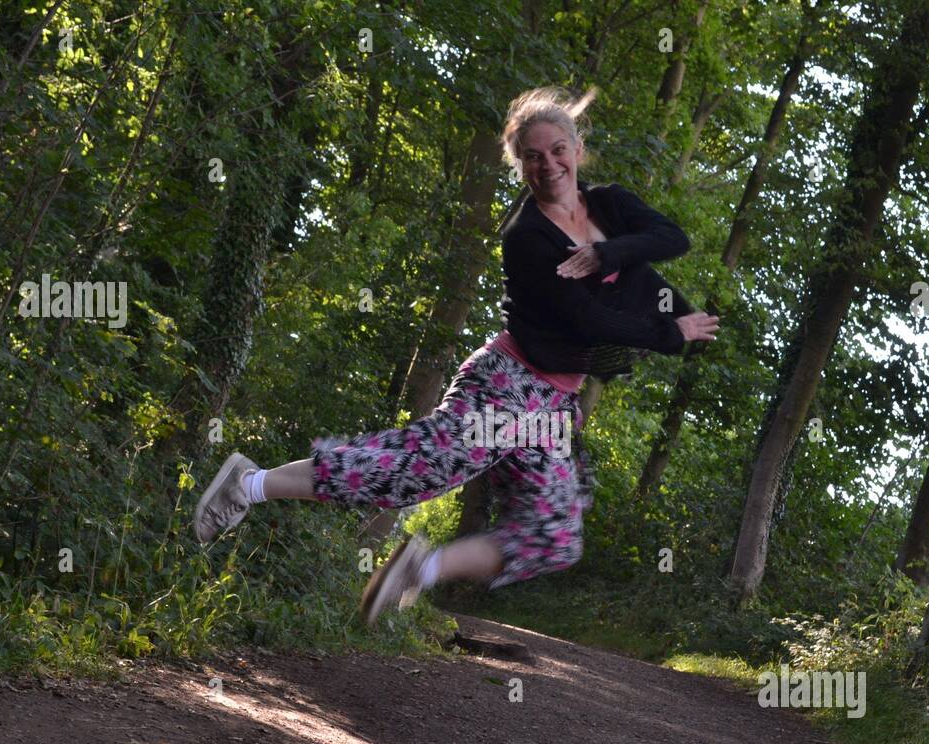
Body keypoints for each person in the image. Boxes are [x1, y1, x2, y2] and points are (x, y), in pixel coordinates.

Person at [192, 85, 719, 625]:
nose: (549, 164)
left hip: (554, 406)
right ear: (520, 165)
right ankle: (250, 484)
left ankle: (420, 568)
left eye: (559, 149)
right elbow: (587, 321)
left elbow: (669, 239)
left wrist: (611, 256)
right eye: (533, 156)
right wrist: (667, 334)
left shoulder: (610, 204)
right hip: (509, 384)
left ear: (578, 148)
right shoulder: (527, 237)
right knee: (418, 470)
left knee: (553, 536)